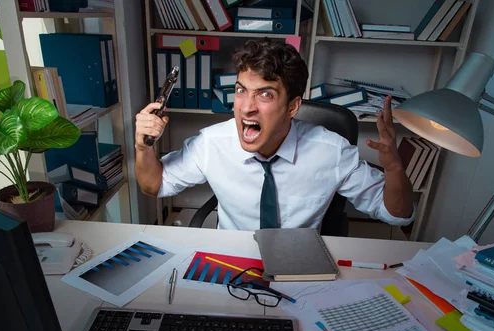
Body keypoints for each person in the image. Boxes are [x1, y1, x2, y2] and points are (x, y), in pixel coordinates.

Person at [135, 39, 414, 231]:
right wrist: (143, 147)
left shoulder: (330, 151)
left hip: (298, 266)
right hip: (230, 259)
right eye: (241, 90)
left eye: (265, 94)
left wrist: (393, 168)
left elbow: (396, 214)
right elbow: (154, 186)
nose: (246, 107)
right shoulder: (212, 143)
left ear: (292, 106)